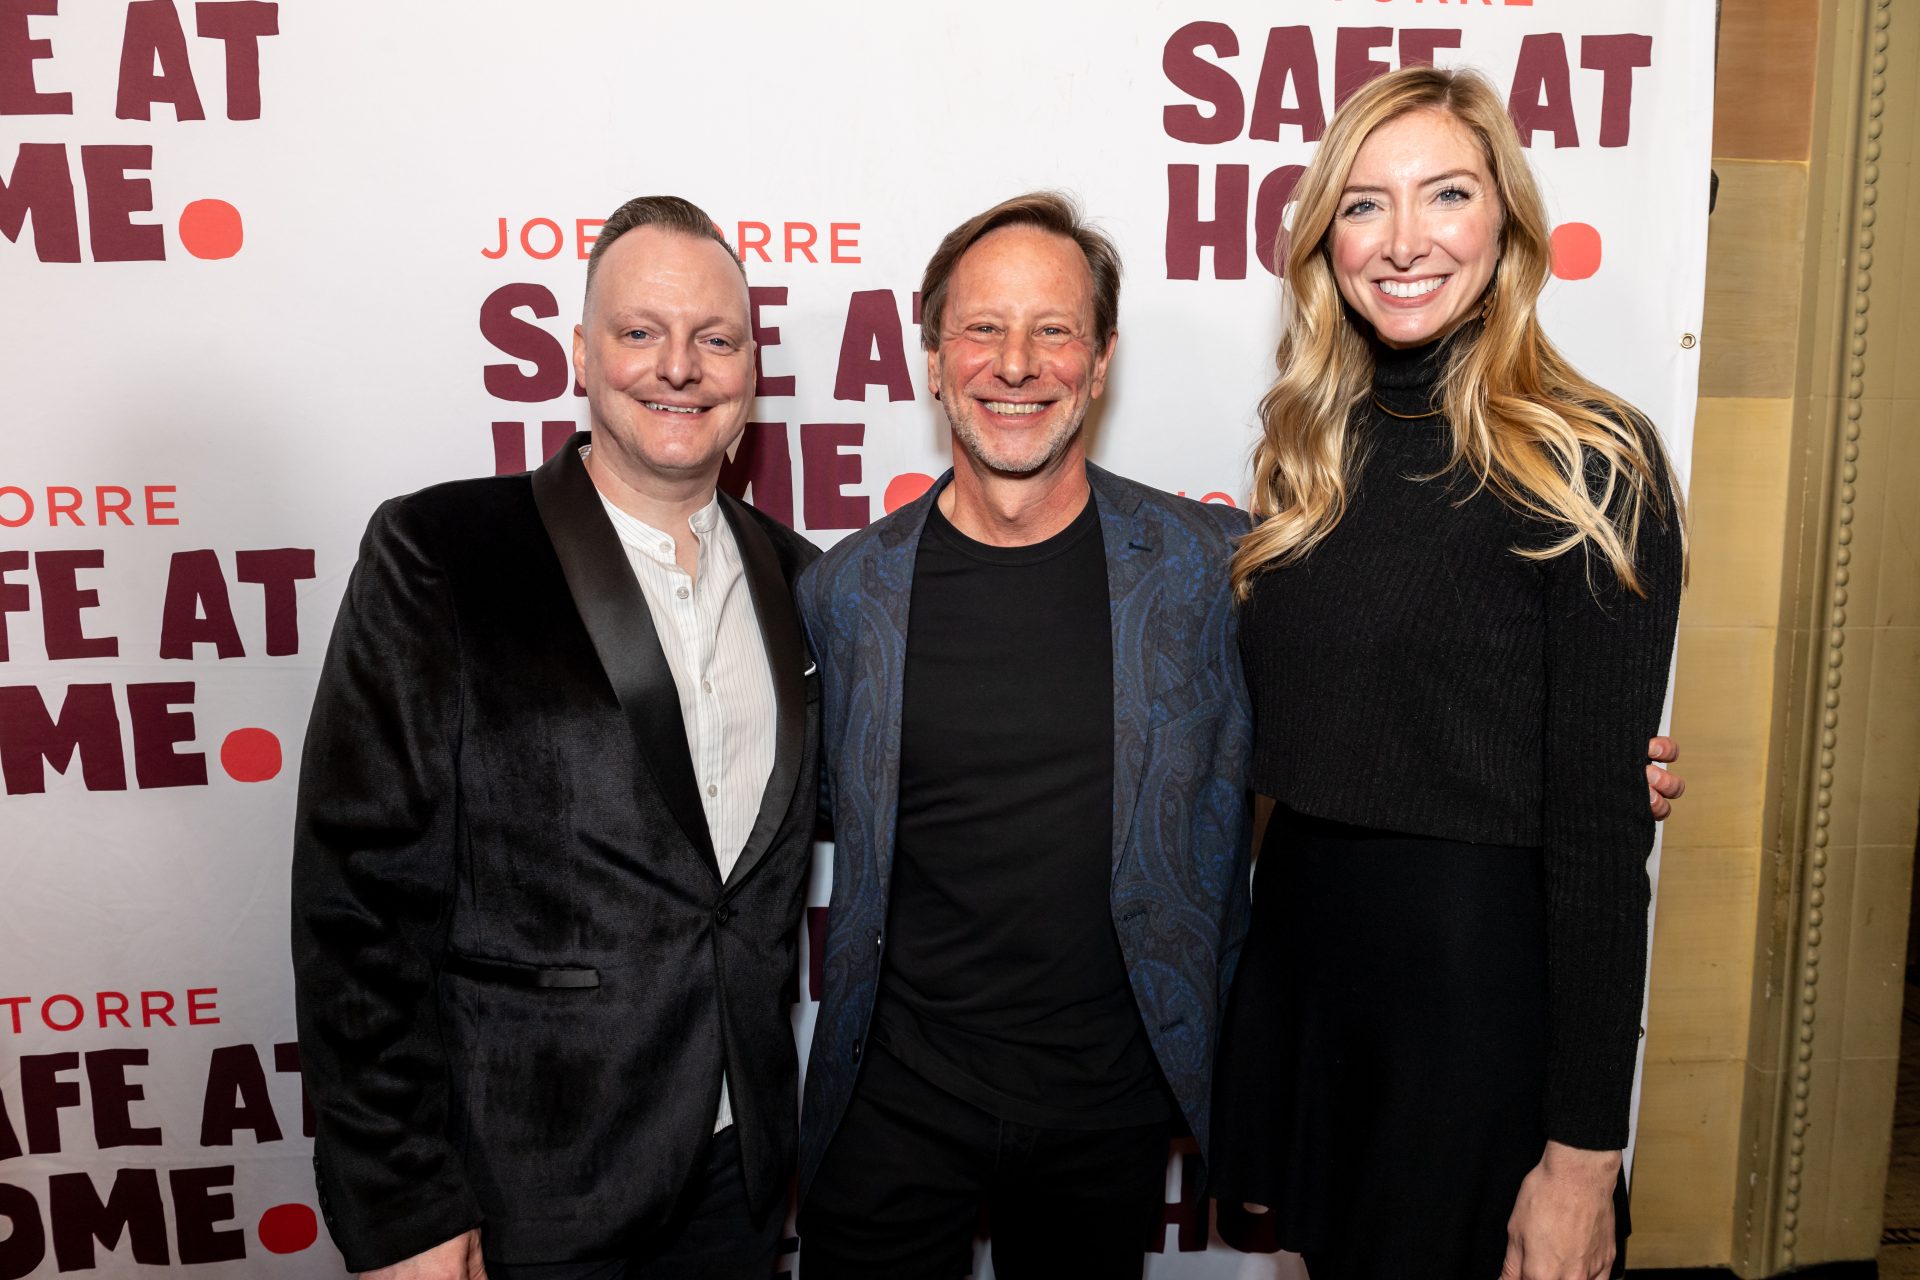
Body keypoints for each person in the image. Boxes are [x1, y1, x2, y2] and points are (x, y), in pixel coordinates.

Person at [1210, 65, 1687, 1280]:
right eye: (1365, 203)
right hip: (1314, 967)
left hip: (1474, 1004)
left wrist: (1584, 1156)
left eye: (1448, 194)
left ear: (1507, 222)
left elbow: (1600, 848)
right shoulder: (1307, 451)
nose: (1405, 240)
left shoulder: (1592, 462)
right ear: (1327, 241)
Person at [291, 195, 820, 1280]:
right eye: (641, 331)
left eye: (716, 339)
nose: (680, 367)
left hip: (739, 1176)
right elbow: (358, 905)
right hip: (525, 1191)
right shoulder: (443, 552)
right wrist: (403, 1206)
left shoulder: (803, 579)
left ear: (751, 370)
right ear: (581, 353)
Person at [793, 192, 1255, 1279]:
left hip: (1107, 1108)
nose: (1016, 363)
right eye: (983, 329)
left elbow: (1367, 711)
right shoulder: (848, 590)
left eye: (1054, 330)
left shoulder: (1210, 571)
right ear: (933, 360)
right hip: (892, 1102)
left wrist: (1581, 763)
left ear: (1100, 361)